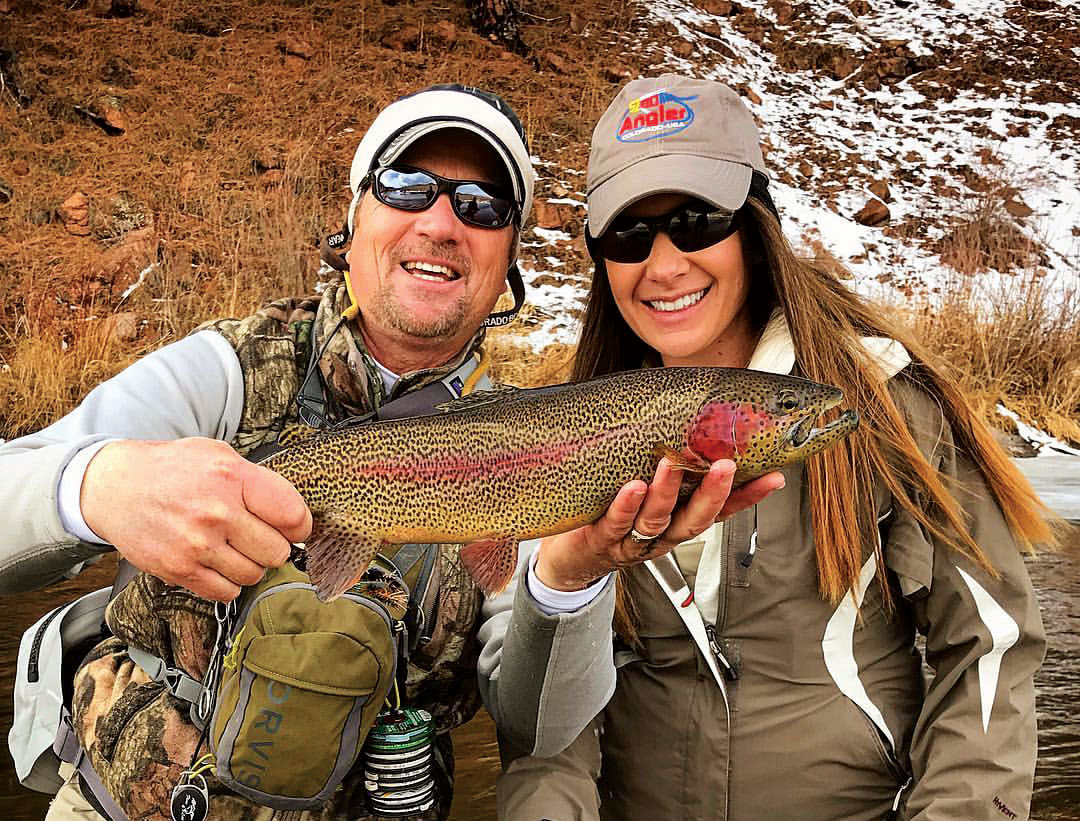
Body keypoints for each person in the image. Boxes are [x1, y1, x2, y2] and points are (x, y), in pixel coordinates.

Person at [0, 83, 780, 821]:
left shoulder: (543, 441)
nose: (441, 222)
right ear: (355, 216)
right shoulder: (223, 375)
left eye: (481, 205)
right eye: (407, 185)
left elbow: (535, 728)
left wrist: (571, 578)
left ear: (509, 255)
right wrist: (98, 482)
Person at [494, 74, 1053, 821]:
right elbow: (546, 738)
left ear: (755, 223)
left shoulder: (884, 408)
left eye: (698, 221)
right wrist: (562, 581)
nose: (663, 265)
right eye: (628, 234)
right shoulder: (549, 439)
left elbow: (989, 652)